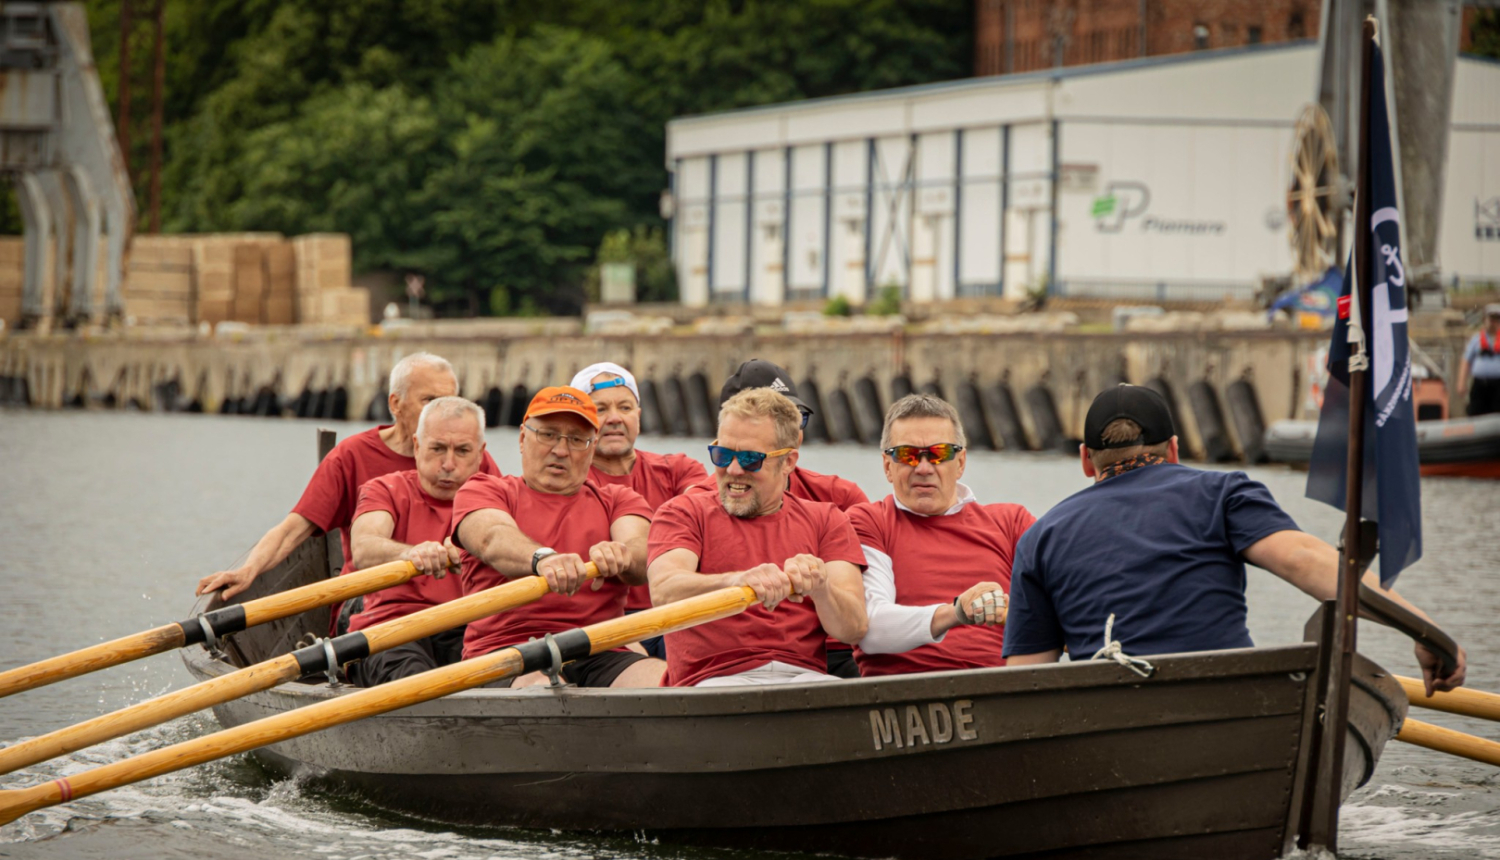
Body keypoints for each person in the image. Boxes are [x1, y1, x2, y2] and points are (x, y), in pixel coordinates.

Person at [1002, 384, 1467, 696]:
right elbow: (1305, 560)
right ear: (1175, 451)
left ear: (1086, 460)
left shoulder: (1040, 538)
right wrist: (1424, 631)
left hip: (1110, 716)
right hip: (1230, 700)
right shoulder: (1221, 492)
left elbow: (1025, 682)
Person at [196, 352, 500, 599]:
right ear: (395, 403)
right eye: (429, 401)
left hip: (450, 602)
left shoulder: (474, 459)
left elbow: (502, 529)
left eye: (450, 402)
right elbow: (293, 529)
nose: (442, 412)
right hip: (371, 601)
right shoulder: (352, 456)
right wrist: (249, 569)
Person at [647, 388, 868, 687]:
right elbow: (664, 591)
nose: (734, 470)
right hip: (710, 681)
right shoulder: (683, 512)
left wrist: (821, 588)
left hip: (805, 679)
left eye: (751, 459)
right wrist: (736, 581)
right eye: (722, 455)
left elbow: (853, 628)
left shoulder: (827, 519)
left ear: (789, 462)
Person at [452, 386, 664, 688]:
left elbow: (642, 550)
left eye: (576, 440)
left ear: (591, 449)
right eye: (548, 435)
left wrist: (623, 555)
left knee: (659, 679)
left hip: (597, 645)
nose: (561, 450)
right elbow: (492, 538)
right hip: (507, 651)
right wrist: (543, 559)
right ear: (523, 438)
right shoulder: (484, 490)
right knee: (543, 692)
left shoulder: (618, 499)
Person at [850, 394, 1034, 677]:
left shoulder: (1012, 523)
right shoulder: (869, 522)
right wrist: (958, 613)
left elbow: (1070, 609)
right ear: (888, 466)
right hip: (900, 695)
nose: (923, 468)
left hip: (999, 690)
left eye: (939, 454)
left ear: (960, 462)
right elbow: (870, 629)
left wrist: (1023, 616)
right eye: (908, 455)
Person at [344, 397, 487, 686]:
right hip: (391, 628)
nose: (448, 464)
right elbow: (364, 547)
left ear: (481, 453)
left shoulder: (494, 498)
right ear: (417, 446)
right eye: (437, 448)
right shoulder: (385, 489)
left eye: (462, 451)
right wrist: (411, 553)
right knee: (417, 683)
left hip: (468, 628)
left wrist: (477, 548)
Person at [568, 362, 708, 658]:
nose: (615, 419)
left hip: (679, 614)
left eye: (626, 408)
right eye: (601, 409)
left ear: (639, 417)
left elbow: (709, 514)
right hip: (609, 626)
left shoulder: (680, 470)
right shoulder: (564, 484)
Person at [1457, 303, 1500, 417]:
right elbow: (1466, 360)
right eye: (1491, 319)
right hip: (1480, 385)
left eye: (1496, 320)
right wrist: (1462, 383)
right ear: (1485, 320)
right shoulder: (1476, 340)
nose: (1493, 323)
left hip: (1498, 386)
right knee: (1475, 412)